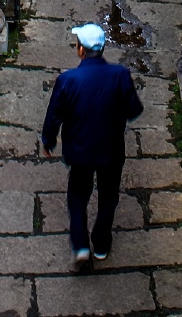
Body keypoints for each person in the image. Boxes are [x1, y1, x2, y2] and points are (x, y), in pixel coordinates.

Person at [41, 23, 143, 269]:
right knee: (108, 197)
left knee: (77, 197)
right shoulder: (120, 75)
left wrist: (49, 140)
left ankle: (81, 245)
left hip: (80, 152)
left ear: (81, 50)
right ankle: (101, 243)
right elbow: (134, 110)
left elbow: (54, 115)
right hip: (111, 150)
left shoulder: (68, 80)